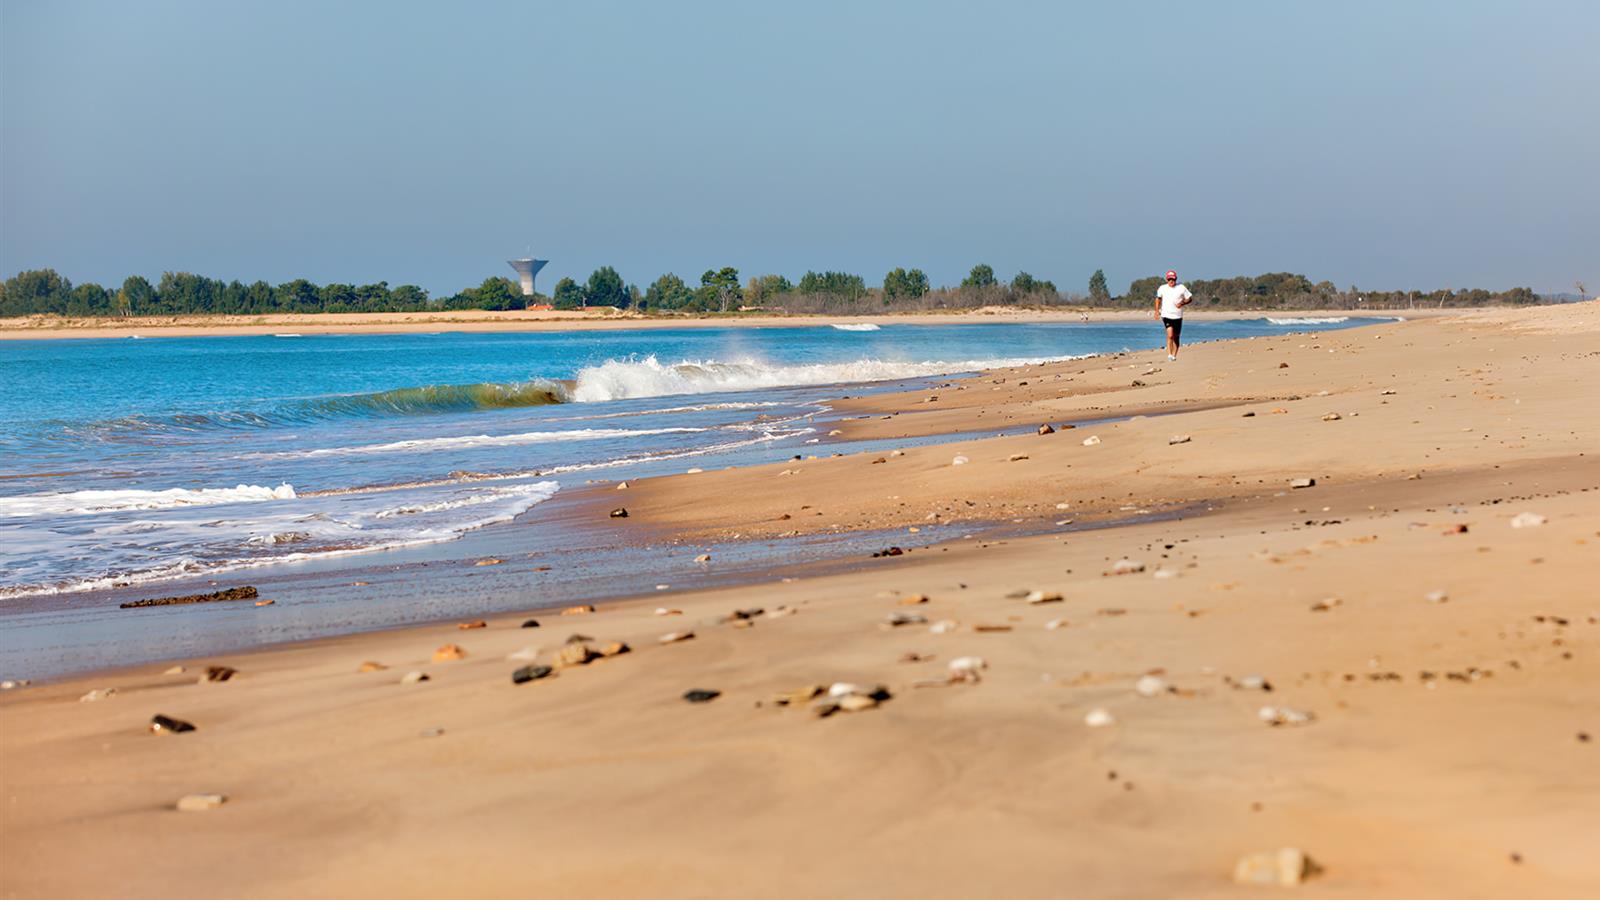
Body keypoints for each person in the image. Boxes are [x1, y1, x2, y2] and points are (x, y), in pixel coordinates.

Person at [1153, 269, 1192, 361]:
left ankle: (1174, 355)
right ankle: (1169, 354)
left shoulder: (1181, 287)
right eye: (1169, 279)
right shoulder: (1162, 288)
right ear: (1166, 279)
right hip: (1166, 315)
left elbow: (1189, 298)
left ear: (1176, 279)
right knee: (1170, 335)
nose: (1171, 281)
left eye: (1173, 279)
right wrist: (1156, 311)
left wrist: (1182, 303)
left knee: (1176, 336)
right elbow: (1158, 299)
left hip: (1178, 316)